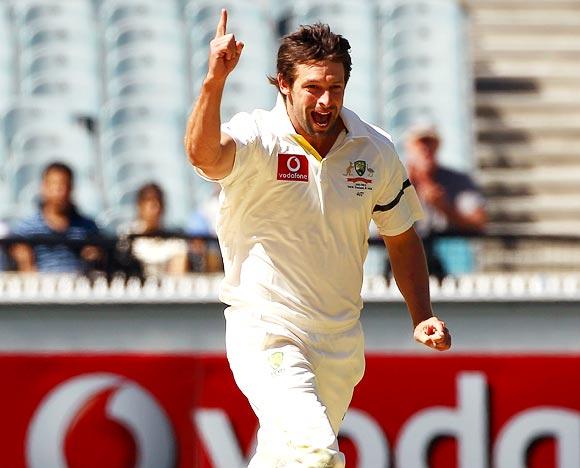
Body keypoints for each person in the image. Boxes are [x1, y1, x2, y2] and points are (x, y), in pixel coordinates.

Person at [184, 10, 451, 467]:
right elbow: (204, 156)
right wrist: (214, 81)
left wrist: (421, 316)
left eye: (335, 88)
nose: (326, 101)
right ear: (283, 85)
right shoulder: (259, 137)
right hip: (268, 329)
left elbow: (402, 236)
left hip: (339, 340)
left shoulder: (375, 149)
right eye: (313, 88)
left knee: (282, 458)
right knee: (316, 455)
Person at [404, 123, 487, 277]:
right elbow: (378, 230)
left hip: (445, 265)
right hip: (403, 262)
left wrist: (444, 207)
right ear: (409, 146)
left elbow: (479, 222)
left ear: (437, 145)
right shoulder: (394, 179)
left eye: (429, 142)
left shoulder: (458, 181)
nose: (425, 148)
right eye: (420, 143)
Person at [10, 162, 102, 273]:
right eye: (54, 184)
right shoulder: (27, 228)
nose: (60, 191)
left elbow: (96, 262)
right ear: (44, 187)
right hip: (42, 285)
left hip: (78, 284)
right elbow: (26, 268)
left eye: (65, 185)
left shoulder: (87, 227)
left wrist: (94, 256)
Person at [118, 182, 189, 277]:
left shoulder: (175, 238)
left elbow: (178, 273)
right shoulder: (128, 236)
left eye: (159, 202)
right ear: (140, 205)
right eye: (149, 201)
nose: (156, 208)